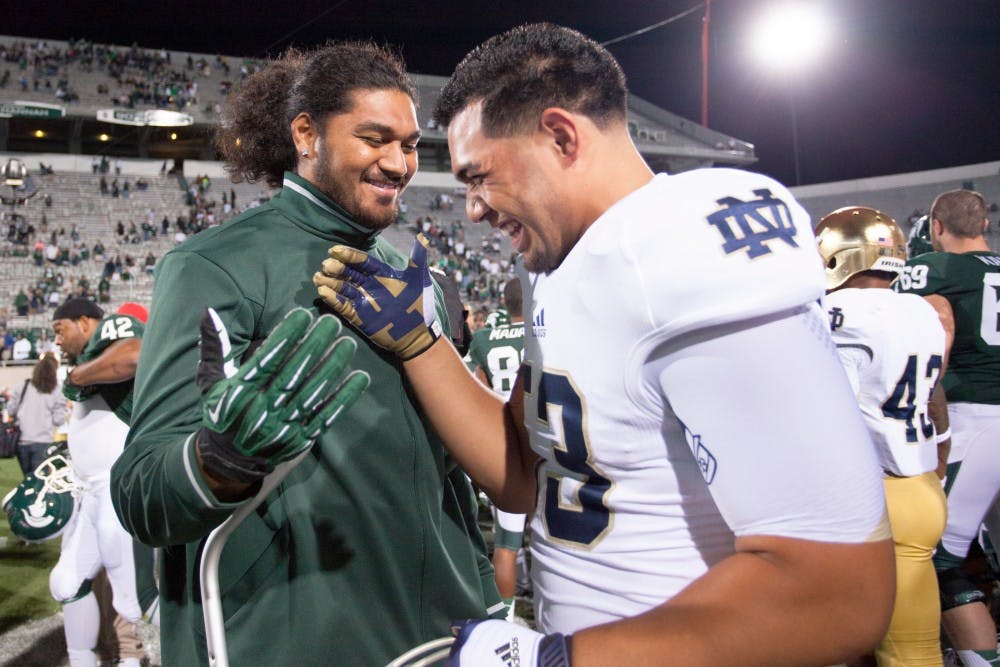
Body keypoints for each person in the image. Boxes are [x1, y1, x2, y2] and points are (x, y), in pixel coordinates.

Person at [315, 23, 895, 666]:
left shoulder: (682, 245)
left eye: (478, 176)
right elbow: (523, 476)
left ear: (562, 137)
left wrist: (556, 661)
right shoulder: (556, 264)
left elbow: (838, 588)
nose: (472, 209)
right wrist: (422, 347)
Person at [110, 41, 502, 666]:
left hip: (437, 640)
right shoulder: (214, 267)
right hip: (288, 643)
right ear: (306, 134)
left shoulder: (416, 281)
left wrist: (485, 602)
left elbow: (445, 481)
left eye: (408, 145)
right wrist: (219, 459)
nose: (400, 163)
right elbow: (140, 494)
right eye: (376, 138)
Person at [816, 207, 950, 666]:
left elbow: (832, 418)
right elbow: (936, 400)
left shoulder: (835, 314)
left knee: (828, 647)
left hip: (867, 500)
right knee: (915, 653)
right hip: (920, 488)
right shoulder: (924, 309)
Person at [894, 189, 1000, 667]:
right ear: (984, 225)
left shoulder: (939, 269)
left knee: (935, 557)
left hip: (978, 421)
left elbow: (874, 300)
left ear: (936, 226)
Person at [51, 297, 150, 667]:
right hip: (91, 490)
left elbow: (135, 354)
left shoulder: (109, 333)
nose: (57, 341)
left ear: (85, 322)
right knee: (65, 582)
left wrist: (77, 377)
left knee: (132, 597)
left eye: (60, 330)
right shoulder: (89, 356)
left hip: (116, 486)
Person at [467, 277, 529, 619]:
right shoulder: (542, 332)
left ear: (504, 304)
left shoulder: (484, 339)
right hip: (544, 446)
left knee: (506, 546)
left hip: (505, 449)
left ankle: (504, 622)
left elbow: (479, 395)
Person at [6, 352, 65, 476]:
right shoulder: (57, 391)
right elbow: (59, 420)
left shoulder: (22, 386)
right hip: (43, 442)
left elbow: (11, 410)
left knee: (27, 478)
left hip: (21, 441)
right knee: (39, 482)